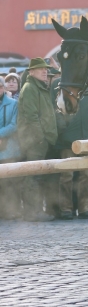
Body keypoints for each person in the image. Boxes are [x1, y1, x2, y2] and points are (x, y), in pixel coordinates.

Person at [16, 58, 57, 221]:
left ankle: (36, 211)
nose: (45, 71)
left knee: (36, 176)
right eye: (41, 69)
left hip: (40, 140)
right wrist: (41, 138)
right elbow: (31, 117)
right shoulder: (30, 88)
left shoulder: (39, 87)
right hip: (34, 141)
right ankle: (32, 212)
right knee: (33, 177)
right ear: (31, 72)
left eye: (46, 69)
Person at [54, 84, 88, 219]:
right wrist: (64, 129)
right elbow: (56, 110)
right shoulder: (62, 85)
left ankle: (85, 208)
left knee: (87, 176)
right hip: (67, 140)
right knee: (66, 176)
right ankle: (65, 209)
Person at [0, 76, 23, 219]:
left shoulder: (14, 104)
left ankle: (13, 210)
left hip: (10, 150)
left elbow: (14, 125)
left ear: (3, 88)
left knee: (12, 182)